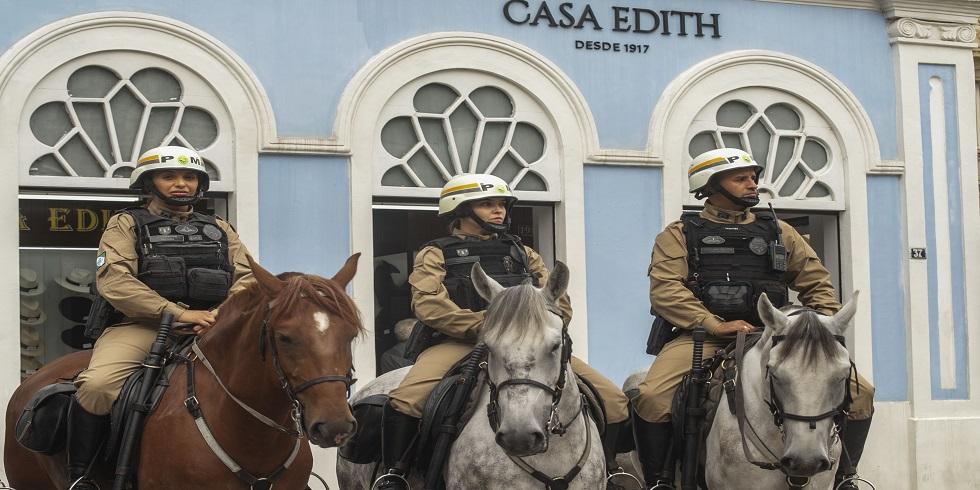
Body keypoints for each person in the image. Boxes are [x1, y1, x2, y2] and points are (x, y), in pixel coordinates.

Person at [632, 148, 874, 490]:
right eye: (741, 178)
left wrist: (820, 325)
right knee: (652, 398)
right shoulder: (679, 234)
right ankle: (660, 481)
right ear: (712, 185)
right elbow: (666, 290)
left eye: (753, 177)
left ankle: (846, 476)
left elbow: (816, 282)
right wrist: (715, 324)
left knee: (862, 392)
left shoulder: (780, 232)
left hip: (774, 335)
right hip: (705, 336)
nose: (752, 184)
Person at [373, 174, 631, 490]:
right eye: (488, 204)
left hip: (527, 346)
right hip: (458, 342)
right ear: (461, 209)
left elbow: (557, 301)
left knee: (615, 400)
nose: (499, 211)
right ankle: (396, 474)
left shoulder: (524, 252)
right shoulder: (435, 253)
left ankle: (613, 469)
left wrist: (532, 327)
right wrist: (485, 326)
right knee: (406, 399)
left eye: (502, 205)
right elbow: (428, 304)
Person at [67, 145, 255, 490]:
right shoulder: (125, 223)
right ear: (149, 182)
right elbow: (116, 281)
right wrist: (180, 313)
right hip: (143, 326)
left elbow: (248, 278)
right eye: (169, 176)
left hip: (214, 324)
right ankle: (83, 476)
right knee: (97, 387)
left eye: (189, 177)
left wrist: (219, 315)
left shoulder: (221, 228)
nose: (180, 184)